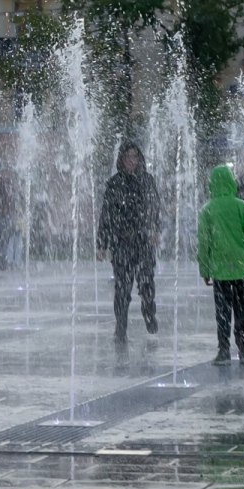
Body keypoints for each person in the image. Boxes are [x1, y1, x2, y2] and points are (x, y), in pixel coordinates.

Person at [196, 163, 244, 366]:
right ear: (231, 182)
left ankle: (224, 350)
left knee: (222, 311)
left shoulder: (207, 210)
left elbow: (204, 242)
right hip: (241, 267)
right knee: (240, 309)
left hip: (220, 270)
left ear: (212, 184)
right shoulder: (241, 206)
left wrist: (205, 270)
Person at [97, 141, 162, 342]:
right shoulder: (114, 184)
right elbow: (106, 214)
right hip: (122, 243)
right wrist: (102, 243)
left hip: (143, 242)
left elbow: (155, 208)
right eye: (127, 157)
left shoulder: (147, 181)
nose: (131, 161)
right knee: (122, 288)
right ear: (121, 160)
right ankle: (121, 326)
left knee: (146, 284)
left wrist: (155, 230)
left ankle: (149, 311)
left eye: (134, 157)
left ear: (139, 159)